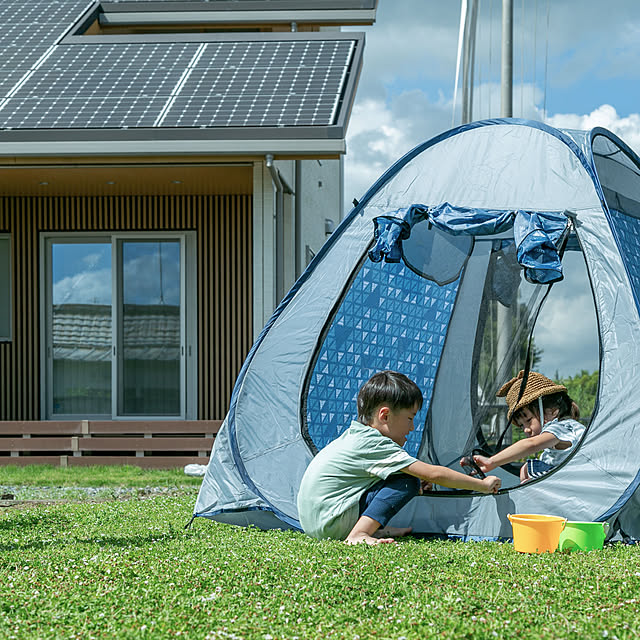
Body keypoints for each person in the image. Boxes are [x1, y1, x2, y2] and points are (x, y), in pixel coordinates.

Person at [296, 370, 501, 545]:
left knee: (403, 477)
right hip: (330, 523)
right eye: (410, 418)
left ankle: (369, 529)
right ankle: (359, 533)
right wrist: (482, 485)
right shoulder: (375, 443)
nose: (412, 428)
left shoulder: (356, 436)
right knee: (407, 480)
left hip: (317, 522)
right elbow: (434, 473)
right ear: (384, 416)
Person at [465, 370, 585, 483]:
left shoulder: (564, 427)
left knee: (527, 469)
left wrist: (492, 461)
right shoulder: (555, 440)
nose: (526, 429)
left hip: (577, 481)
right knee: (526, 469)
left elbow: (531, 444)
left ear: (552, 411)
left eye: (529, 420)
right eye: (521, 425)